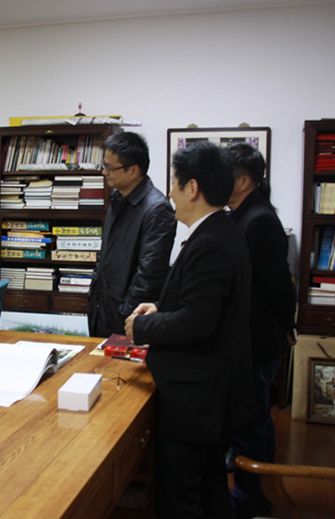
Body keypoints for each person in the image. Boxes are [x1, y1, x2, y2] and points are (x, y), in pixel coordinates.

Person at [125, 142, 255, 518]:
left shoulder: (211, 241)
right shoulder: (219, 231)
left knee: (180, 498)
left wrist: (142, 325)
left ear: (192, 188)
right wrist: (161, 307)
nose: (170, 193)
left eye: (174, 184)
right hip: (209, 394)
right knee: (210, 491)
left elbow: (198, 321)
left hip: (196, 399)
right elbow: (202, 304)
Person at [226, 143, 297, 518]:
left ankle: (250, 500)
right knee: (254, 418)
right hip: (248, 337)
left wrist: (288, 325)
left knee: (251, 421)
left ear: (243, 181)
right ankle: (257, 491)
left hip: (257, 338)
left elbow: (279, 285)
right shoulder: (240, 214)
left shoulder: (259, 220)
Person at [87, 131, 176, 338]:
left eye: (110, 167)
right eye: (104, 165)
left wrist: (125, 313)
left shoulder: (157, 209)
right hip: (102, 310)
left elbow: (149, 275)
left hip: (127, 319)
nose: (104, 172)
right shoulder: (117, 198)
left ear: (133, 171)